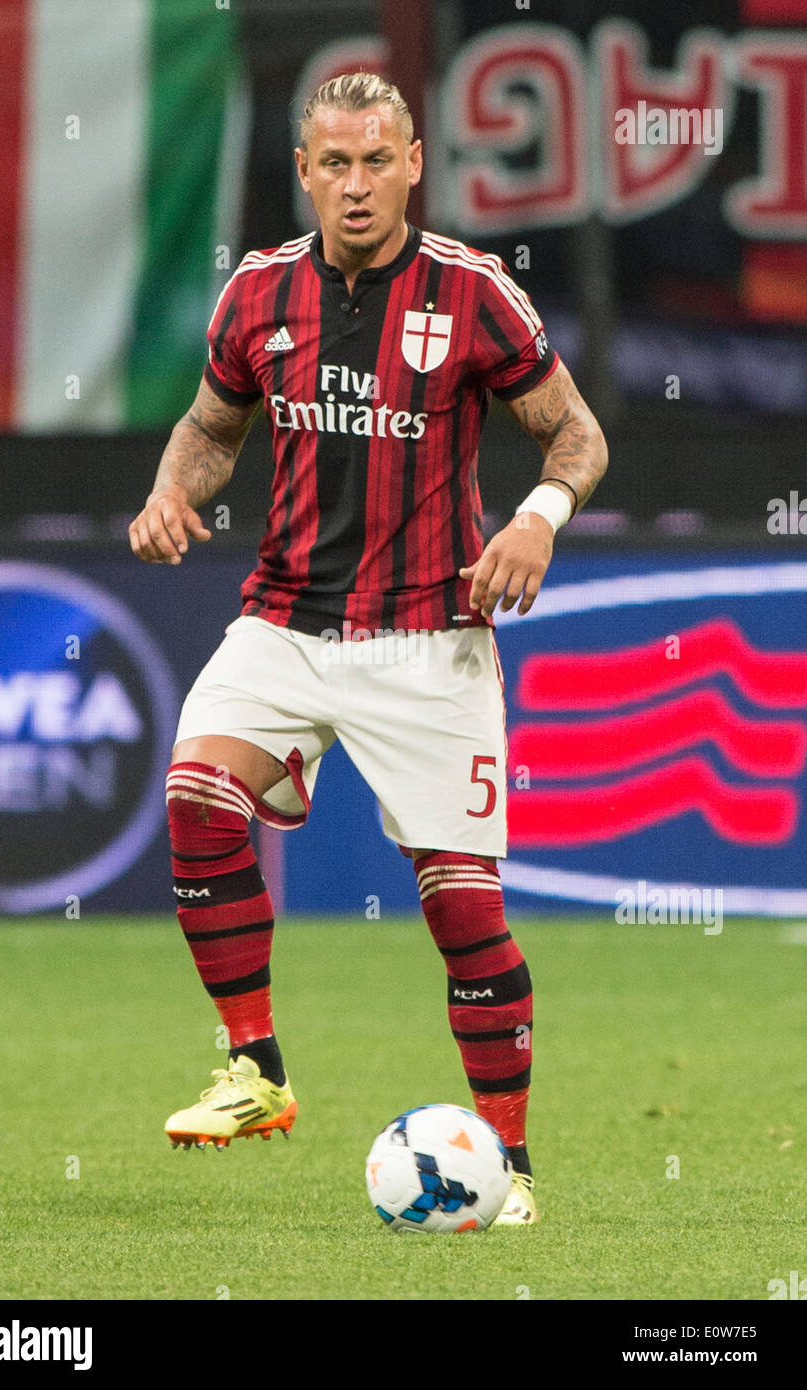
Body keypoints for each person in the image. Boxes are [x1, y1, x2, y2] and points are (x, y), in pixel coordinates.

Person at [129, 72, 607, 1225]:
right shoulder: (255, 295)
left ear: (412, 166)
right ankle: (256, 1069)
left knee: (460, 910)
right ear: (303, 173)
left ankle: (511, 1167)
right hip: (285, 617)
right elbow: (210, 424)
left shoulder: (473, 294)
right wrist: (168, 488)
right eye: (333, 164)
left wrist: (533, 522)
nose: (354, 185)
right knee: (195, 790)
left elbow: (574, 435)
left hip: (426, 639)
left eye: (375, 161)